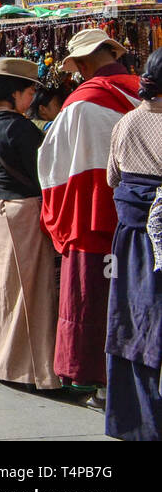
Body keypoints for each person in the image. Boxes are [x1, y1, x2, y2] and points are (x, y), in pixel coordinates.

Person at [39, 29, 141, 408]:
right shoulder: (144, 96)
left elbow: (54, 167)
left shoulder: (81, 104)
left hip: (92, 215)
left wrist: (56, 217)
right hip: (140, 216)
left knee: (92, 298)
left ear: (81, 65)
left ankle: (95, 379)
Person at [0, 58, 58, 388]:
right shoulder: (20, 128)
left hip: (2, 208)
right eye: (29, 93)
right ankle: (28, 370)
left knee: (7, 289)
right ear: (16, 93)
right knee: (32, 291)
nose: (32, 100)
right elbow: (43, 172)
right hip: (26, 210)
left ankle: (2, 360)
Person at [103, 48, 162, 440]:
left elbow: (112, 179)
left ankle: (134, 421)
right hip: (156, 239)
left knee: (132, 325)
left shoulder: (125, 123)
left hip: (130, 238)